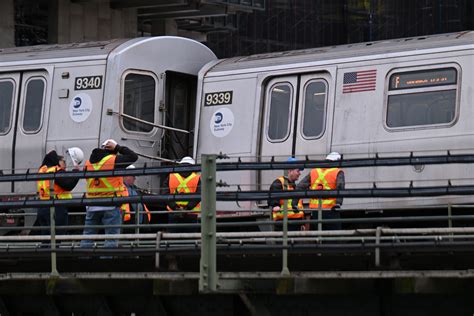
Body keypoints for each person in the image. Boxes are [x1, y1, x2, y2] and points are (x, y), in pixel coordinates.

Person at [81, 139, 138, 248]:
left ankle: (84, 261)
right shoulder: (113, 161)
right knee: (111, 239)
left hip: (92, 206)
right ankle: (106, 263)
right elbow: (133, 157)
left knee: (88, 237)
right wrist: (118, 147)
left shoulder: (88, 163)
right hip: (110, 206)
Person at [297, 152, 345, 230]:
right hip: (331, 210)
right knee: (334, 236)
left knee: (319, 235)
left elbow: (300, 186)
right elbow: (340, 188)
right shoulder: (337, 172)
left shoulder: (314, 171)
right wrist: (338, 203)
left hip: (316, 210)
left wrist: (310, 192)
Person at [37, 150, 80, 235]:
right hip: (56, 207)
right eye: (63, 161)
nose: (65, 163)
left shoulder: (42, 169)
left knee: (46, 237)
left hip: (42, 206)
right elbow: (69, 185)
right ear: (58, 161)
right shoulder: (56, 170)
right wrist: (76, 172)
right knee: (57, 235)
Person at [163, 156, 201, 233]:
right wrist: (187, 208)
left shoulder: (171, 176)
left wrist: (175, 207)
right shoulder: (197, 178)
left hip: (174, 213)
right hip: (191, 214)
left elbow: (164, 194)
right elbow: (199, 195)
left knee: (173, 239)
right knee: (190, 240)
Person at [268, 157, 304, 231]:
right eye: (298, 171)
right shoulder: (279, 183)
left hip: (295, 223)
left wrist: (302, 222)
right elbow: (273, 200)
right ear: (290, 171)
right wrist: (275, 205)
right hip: (284, 224)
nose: (300, 173)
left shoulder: (294, 185)